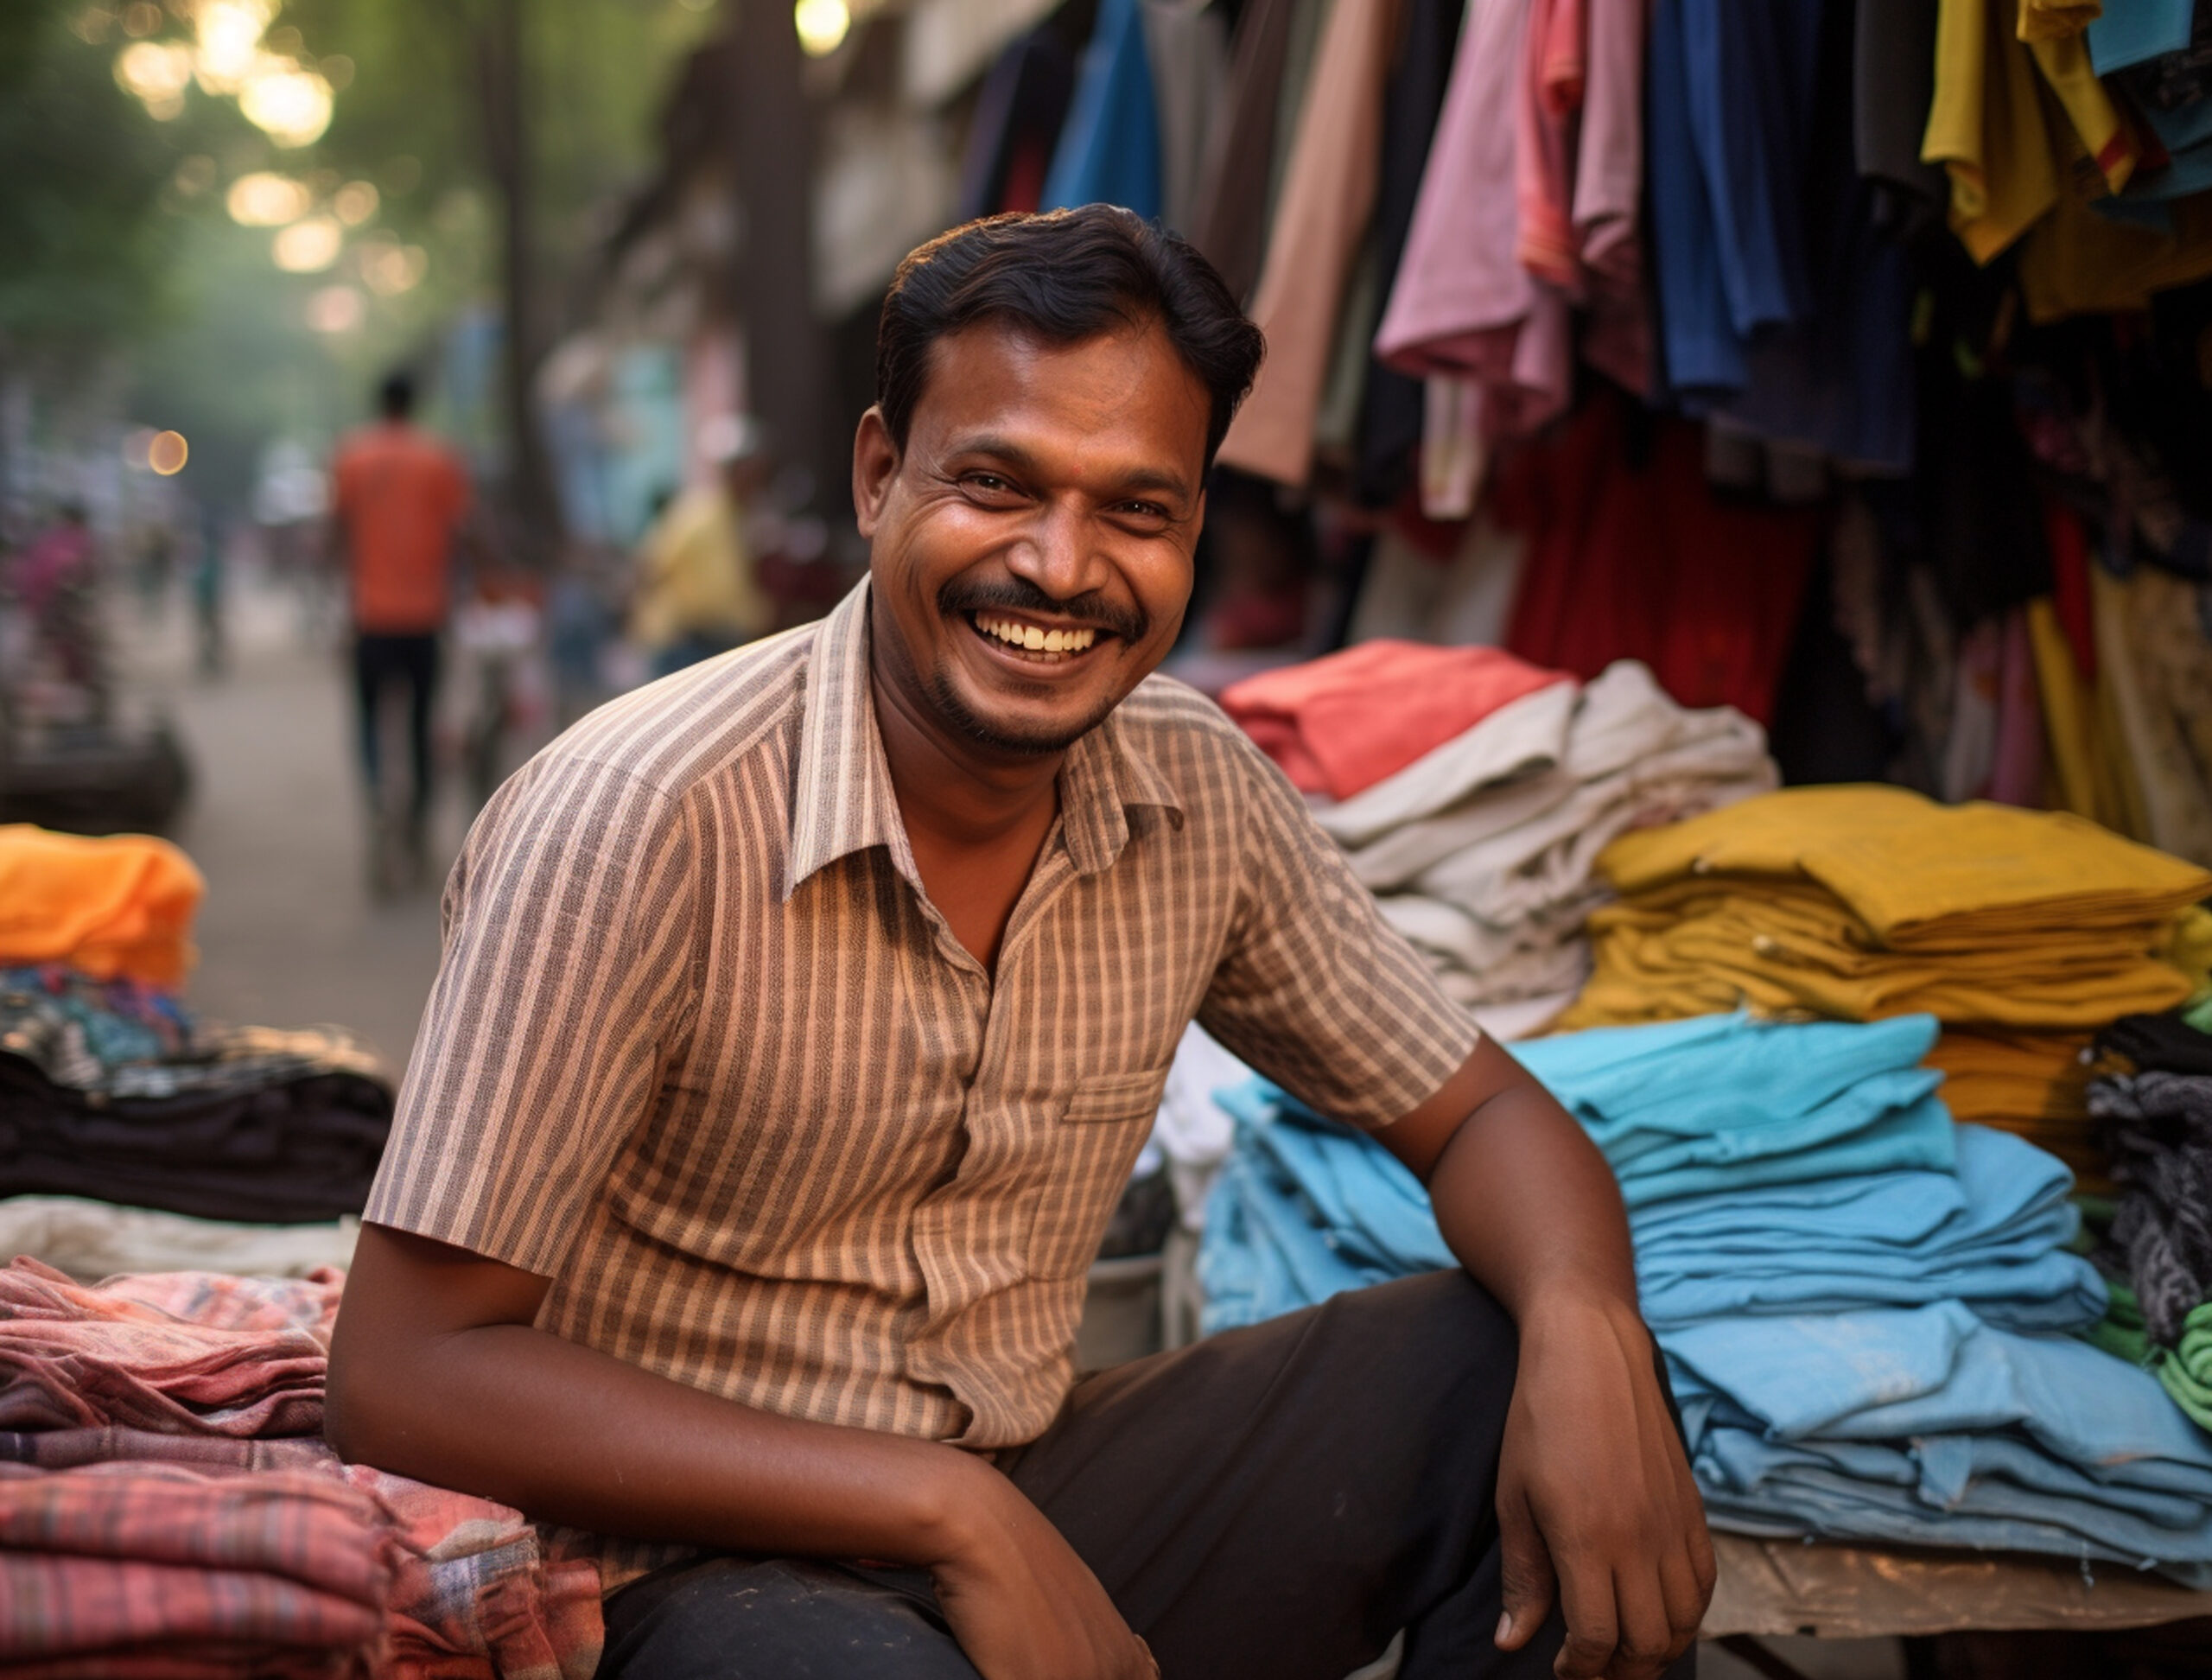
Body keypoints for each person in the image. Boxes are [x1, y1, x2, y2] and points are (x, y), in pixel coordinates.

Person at [326, 208, 1711, 1680]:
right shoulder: (642, 812)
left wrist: (1584, 1314)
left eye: (1136, 508)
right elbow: (406, 1369)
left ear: (1192, 527)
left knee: (1527, 1377)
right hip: (683, 1570)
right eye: (997, 484)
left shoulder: (1193, 781)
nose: (1061, 568)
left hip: (1024, 1488)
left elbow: (1485, 1107)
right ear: (879, 475)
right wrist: (942, 1504)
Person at [327, 371, 474, 882]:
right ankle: (415, 824)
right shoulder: (439, 458)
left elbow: (335, 534)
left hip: (370, 618)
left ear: (379, 402)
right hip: (425, 619)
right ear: (415, 403)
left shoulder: (351, 456)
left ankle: (377, 804)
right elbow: (463, 533)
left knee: (369, 722)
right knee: (420, 726)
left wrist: (334, 599)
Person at [627, 413, 775, 676]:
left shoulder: (739, 517)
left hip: (722, 642)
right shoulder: (698, 514)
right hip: (686, 644)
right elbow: (649, 566)